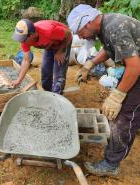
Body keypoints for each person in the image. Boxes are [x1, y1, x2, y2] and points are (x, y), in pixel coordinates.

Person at [67, 4, 140, 177]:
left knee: (123, 115)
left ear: (87, 23)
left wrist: (117, 96)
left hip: (137, 68)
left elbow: (135, 67)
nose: (79, 36)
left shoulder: (115, 27)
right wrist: (90, 64)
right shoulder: (106, 24)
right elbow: (109, 48)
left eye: (79, 31)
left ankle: (111, 164)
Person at [11, 19, 72, 94]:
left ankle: (56, 96)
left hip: (63, 41)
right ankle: (46, 93)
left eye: (23, 39)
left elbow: (69, 35)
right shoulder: (25, 39)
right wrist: (18, 80)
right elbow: (26, 60)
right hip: (49, 44)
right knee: (45, 69)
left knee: (59, 73)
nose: (22, 42)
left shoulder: (50, 32)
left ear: (32, 34)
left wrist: (60, 51)